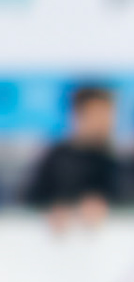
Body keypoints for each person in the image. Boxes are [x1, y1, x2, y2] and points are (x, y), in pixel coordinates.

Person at [24, 82, 120, 228]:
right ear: (79, 115)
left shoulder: (114, 161)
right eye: (98, 114)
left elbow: (133, 202)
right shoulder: (56, 158)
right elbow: (29, 200)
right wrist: (53, 208)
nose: (105, 121)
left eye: (108, 114)